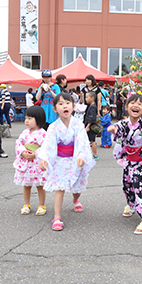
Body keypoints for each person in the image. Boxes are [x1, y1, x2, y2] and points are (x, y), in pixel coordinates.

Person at [38, 93, 95, 231]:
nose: (65, 106)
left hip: (75, 159)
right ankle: (57, 216)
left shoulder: (78, 124)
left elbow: (82, 142)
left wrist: (82, 156)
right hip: (60, 160)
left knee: (76, 185)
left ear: (73, 106)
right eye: (61, 103)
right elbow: (48, 145)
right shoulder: (52, 127)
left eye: (67, 103)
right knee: (60, 187)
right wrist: (44, 158)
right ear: (55, 109)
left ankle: (76, 199)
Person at [107, 94, 142, 234]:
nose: (135, 105)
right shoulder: (124, 123)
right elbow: (117, 128)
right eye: (132, 103)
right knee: (127, 186)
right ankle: (131, 205)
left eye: (139, 104)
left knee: (140, 189)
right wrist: (113, 130)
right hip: (129, 162)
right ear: (126, 107)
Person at [14, 106, 47, 216]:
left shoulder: (43, 133)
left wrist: (36, 153)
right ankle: (26, 204)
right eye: (26, 118)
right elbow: (18, 143)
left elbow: (46, 146)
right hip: (26, 162)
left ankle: (41, 205)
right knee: (26, 184)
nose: (26, 121)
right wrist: (23, 152)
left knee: (40, 185)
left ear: (38, 119)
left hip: (37, 162)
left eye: (30, 118)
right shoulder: (24, 133)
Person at [84, 91, 99, 160]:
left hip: (91, 126)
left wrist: (88, 126)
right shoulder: (91, 106)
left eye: (87, 97)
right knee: (89, 140)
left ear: (92, 98)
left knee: (92, 141)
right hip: (89, 125)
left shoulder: (93, 107)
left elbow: (92, 118)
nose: (86, 99)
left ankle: (95, 155)